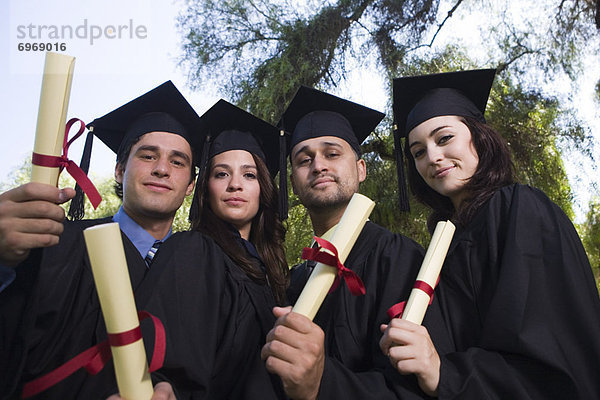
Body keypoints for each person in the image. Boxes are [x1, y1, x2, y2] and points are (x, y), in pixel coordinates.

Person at [0, 82, 281, 399]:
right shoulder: (57, 244)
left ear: (190, 185)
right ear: (119, 171)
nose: (162, 169)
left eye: (177, 162)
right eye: (148, 156)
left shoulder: (214, 276)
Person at [380, 68, 600, 399]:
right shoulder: (444, 243)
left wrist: (443, 372)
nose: (433, 157)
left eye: (444, 138)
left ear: (479, 136)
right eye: (418, 152)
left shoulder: (519, 208)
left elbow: (546, 349)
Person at [261, 86, 449, 399]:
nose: (318, 165)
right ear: (292, 183)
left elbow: (414, 387)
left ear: (361, 169)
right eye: (303, 160)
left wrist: (321, 384)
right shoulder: (293, 280)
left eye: (332, 154)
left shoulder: (400, 258)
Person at [192, 99, 289, 305]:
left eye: (249, 175)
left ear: (263, 189)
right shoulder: (194, 252)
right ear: (205, 187)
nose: (235, 184)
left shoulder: (271, 271)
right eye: (221, 174)